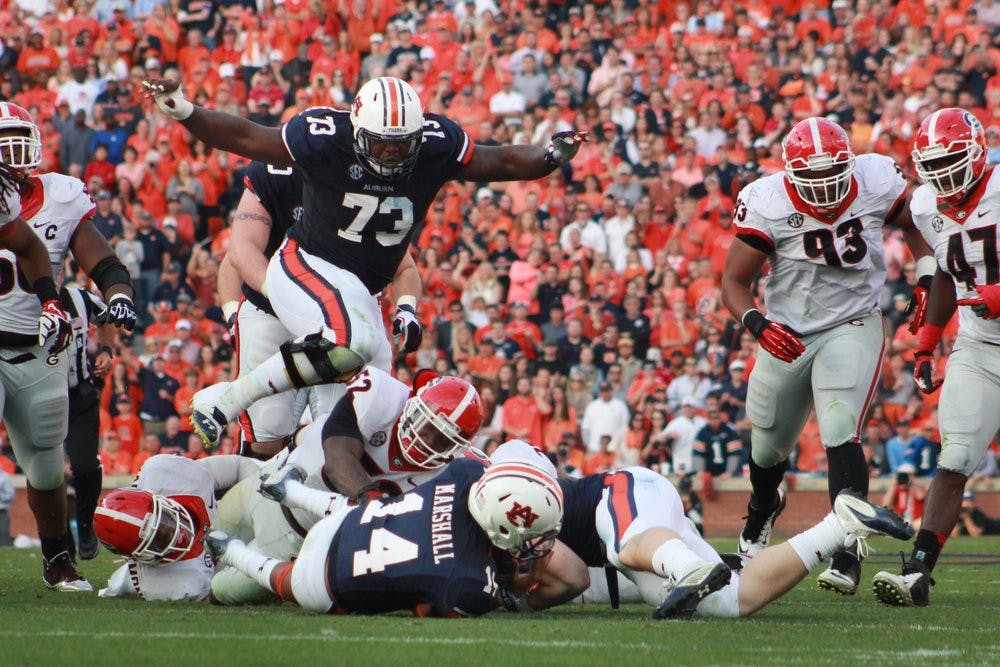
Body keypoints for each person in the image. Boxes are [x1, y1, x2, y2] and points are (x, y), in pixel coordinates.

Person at [141, 75, 588, 448]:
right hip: (308, 267)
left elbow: (502, 159)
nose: (392, 153)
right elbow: (244, 137)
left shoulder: (436, 144)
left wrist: (548, 158)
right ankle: (227, 399)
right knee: (343, 347)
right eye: (382, 143)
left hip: (360, 290)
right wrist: (185, 111)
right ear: (357, 131)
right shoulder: (320, 140)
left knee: (369, 413)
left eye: (401, 143)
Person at [720, 117, 934, 595]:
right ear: (791, 173)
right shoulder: (767, 199)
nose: (822, 185)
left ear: (850, 164)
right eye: (810, 176)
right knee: (767, 447)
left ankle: (847, 547)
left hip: (853, 321)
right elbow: (733, 282)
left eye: (830, 172)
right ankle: (761, 511)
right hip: (788, 331)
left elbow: (914, 227)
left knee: (840, 427)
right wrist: (758, 324)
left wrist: (924, 278)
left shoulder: (876, 178)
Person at [0, 101, 136, 592]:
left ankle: (58, 558)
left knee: (43, 460)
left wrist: (119, 298)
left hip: (39, 345)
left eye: (18, 140)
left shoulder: (60, 196)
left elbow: (103, 263)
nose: (12, 155)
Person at [208, 367, 485, 605]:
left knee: (218, 590)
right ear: (413, 402)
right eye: (426, 425)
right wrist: (370, 498)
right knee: (207, 543)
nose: (427, 441)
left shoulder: (445, 476)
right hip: (267, 486)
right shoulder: (381, 394)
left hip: (298, 544)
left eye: (442, 441)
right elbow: (337, 455)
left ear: (456, 450)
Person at [873, 108, 1000, 606]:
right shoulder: (927, 203)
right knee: (955, 458)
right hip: (980, 345)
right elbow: (948, 273)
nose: (944, 174)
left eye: (952, 161)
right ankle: (918, 571)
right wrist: (927, 343)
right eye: (935, 164)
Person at [215, 161, 424, 458]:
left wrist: (407, 309)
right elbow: (237, 254)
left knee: (349, 427)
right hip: (271, 308)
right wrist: (235, 312)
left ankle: (315, 471)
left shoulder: (364, 186)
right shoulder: (278, 177)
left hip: (347, 318)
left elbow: (405, 267)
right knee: (266, 433)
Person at [205, 455, 576, 616]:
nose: (540, 542)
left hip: (350, 523)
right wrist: (510, 588)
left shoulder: (464, 474)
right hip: (324, 580)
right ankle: (233, 552)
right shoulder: (470, 582)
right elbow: (426, 608)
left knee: (373, 511)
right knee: (286, 582)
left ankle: (294, 493)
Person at [550, 464, 914, 618]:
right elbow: (576, 580)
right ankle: (840, 525)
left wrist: (512, 592)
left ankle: (689, 566)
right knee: (729, 603)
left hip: (615, 498)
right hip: (613, 545)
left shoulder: (498, 468)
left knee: (626, 546)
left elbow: (568, 577)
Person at [92, 454, 263, 601]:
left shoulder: (165, 474)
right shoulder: (173, 585)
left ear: (158, 498)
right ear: (138, 556)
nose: (175, 534)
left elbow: (239, 466)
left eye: (165, 520)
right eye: (159, 540)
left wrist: (264, 503)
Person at [61, 286, 117, 561]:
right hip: (36, 398)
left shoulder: (79, 297)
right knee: (45, 474)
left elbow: (106, 317)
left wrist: (107, 349)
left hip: (79, 393)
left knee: (85, 464)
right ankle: (61, 541)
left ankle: (85, 524)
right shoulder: (17, 300)